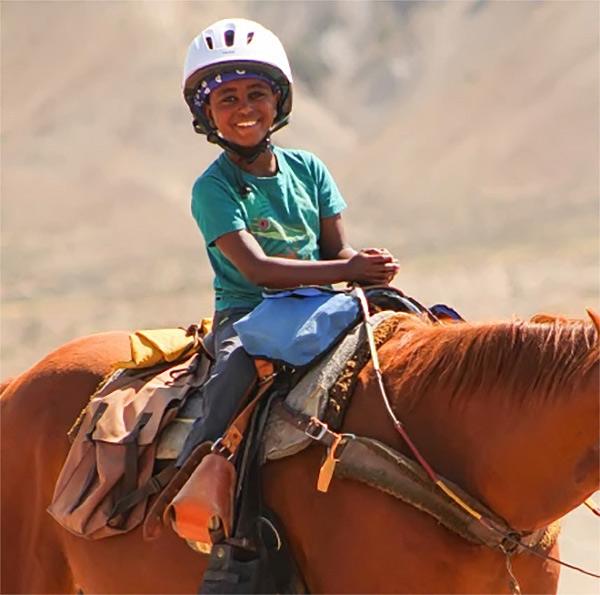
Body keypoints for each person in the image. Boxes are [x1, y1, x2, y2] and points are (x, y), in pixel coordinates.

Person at [177, 18, 399, 465]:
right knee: (237, 367)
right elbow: (258, 271)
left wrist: (368, 266)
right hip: (246, 312)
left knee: (403, 324)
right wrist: (350, 271)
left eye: (257, 94)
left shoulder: (309, 169)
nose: (245, 108)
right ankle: (197, 469)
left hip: (316, 304)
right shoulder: (213, 188)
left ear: (278, 100)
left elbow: (337, 250)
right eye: (228, 99)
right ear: (207, 114)